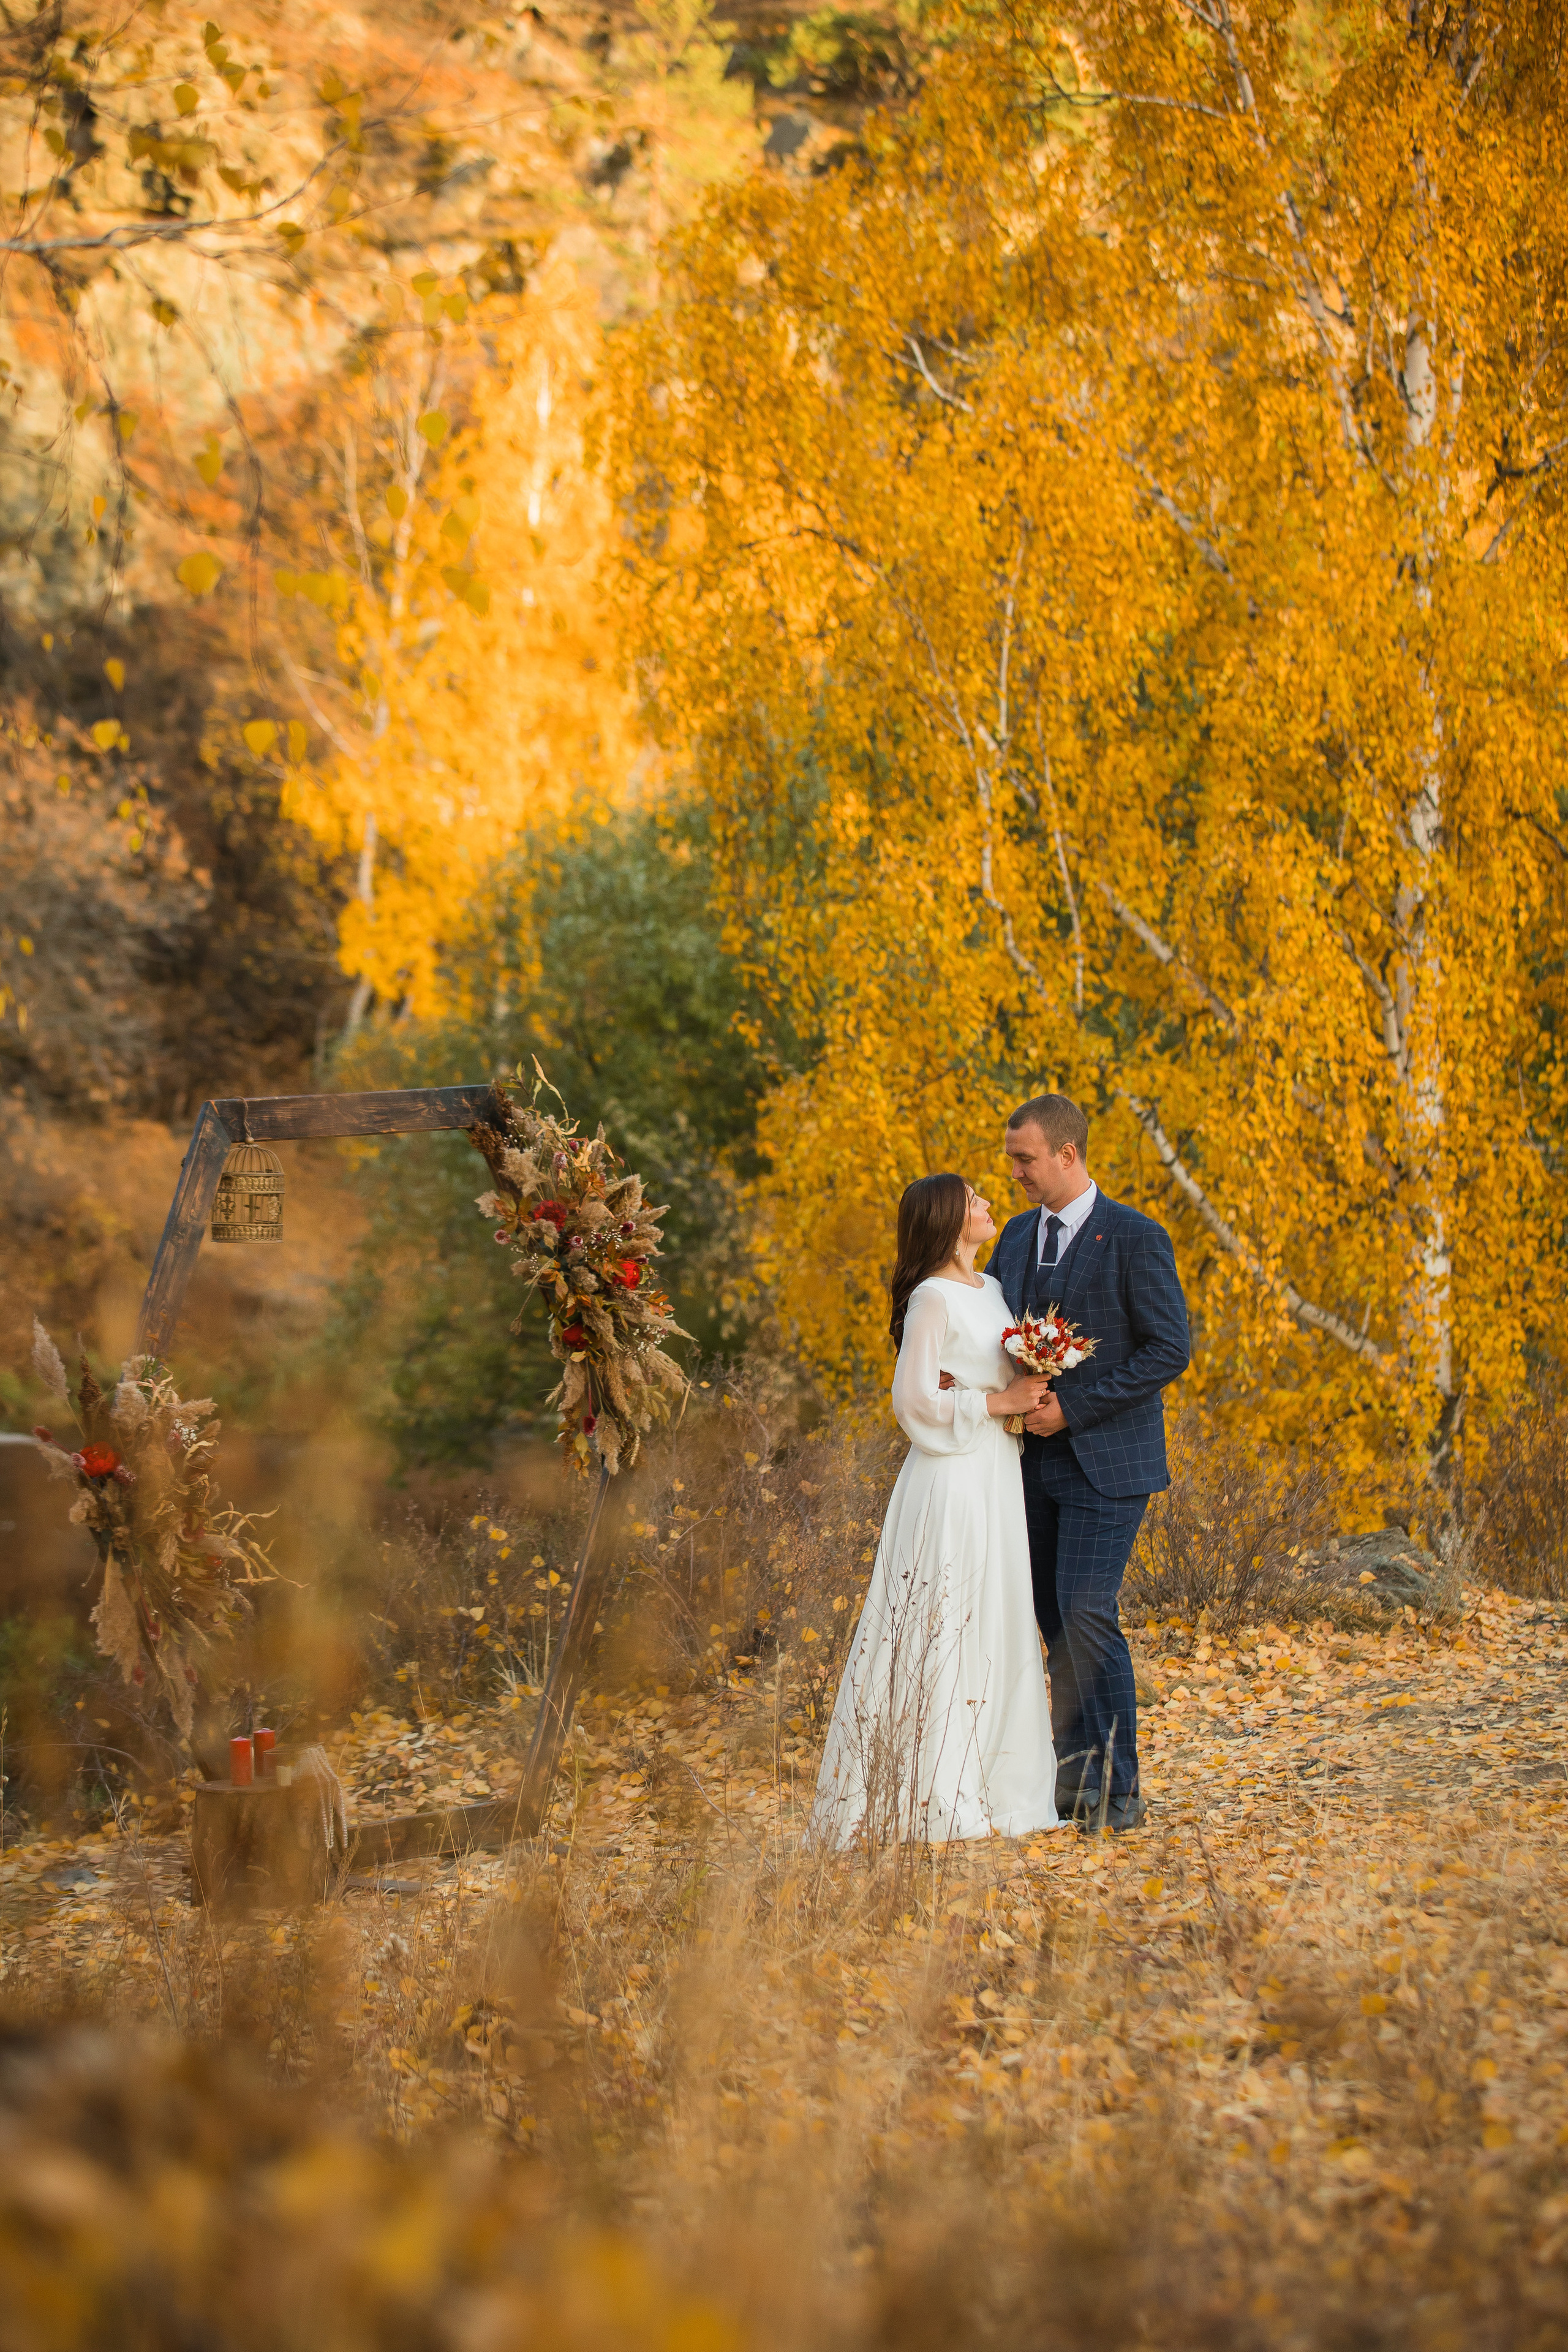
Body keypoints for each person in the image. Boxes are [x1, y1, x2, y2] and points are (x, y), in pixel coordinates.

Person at [810, 1172, 1061, 1849]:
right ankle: (926, 1795)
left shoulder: (996, 1291)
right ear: (949, 1218)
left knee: (997, 1614)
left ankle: (999, 1787)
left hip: (995, 1474)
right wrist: (994, 1403)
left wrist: (1024, 1387)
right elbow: (914, 1401)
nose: (987, 1206)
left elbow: (988, 1374)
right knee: (943, 1619)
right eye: (976, 1199)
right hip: (949, 1478)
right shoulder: (930, 1298)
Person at [987, 1093, 1190, 1832]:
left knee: (1085, 1610)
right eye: (1012, 1158)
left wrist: (1074, 1408)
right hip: (1027, 1466)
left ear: (1067, 1155)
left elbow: (1170, 1348)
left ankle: (1120, 1789)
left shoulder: (1136, 1236)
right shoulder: (1012, 1238)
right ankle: (1075, 1784)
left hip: (1108, 1463)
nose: (1014, 1172)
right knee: (1050, 1617)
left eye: (1025, 1159)